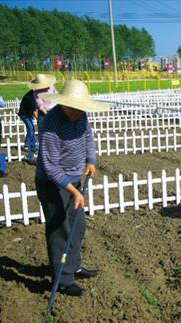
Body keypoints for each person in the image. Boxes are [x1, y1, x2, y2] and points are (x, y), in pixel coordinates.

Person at [35, 80, 110, 297]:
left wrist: (90, 160)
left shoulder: (81, 116)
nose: (78, 112)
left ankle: (74, 266)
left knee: (78, 226)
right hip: (53, 184)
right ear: (63, 104)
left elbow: (87, 136)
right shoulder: (50, 124)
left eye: (81, 107)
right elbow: (49, 166)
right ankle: (63, 280)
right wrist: (74, 191)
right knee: (60, 229)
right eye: (74, 107)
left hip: (73, 180)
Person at [18, 74, 56, 164]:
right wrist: (48, 116)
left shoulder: (52, 88)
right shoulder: (36, 93)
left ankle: (54, 157)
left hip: (54, 111)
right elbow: (40, 106)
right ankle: (44, 158)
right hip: (43, 114)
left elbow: (56, 98)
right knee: (43, 136)